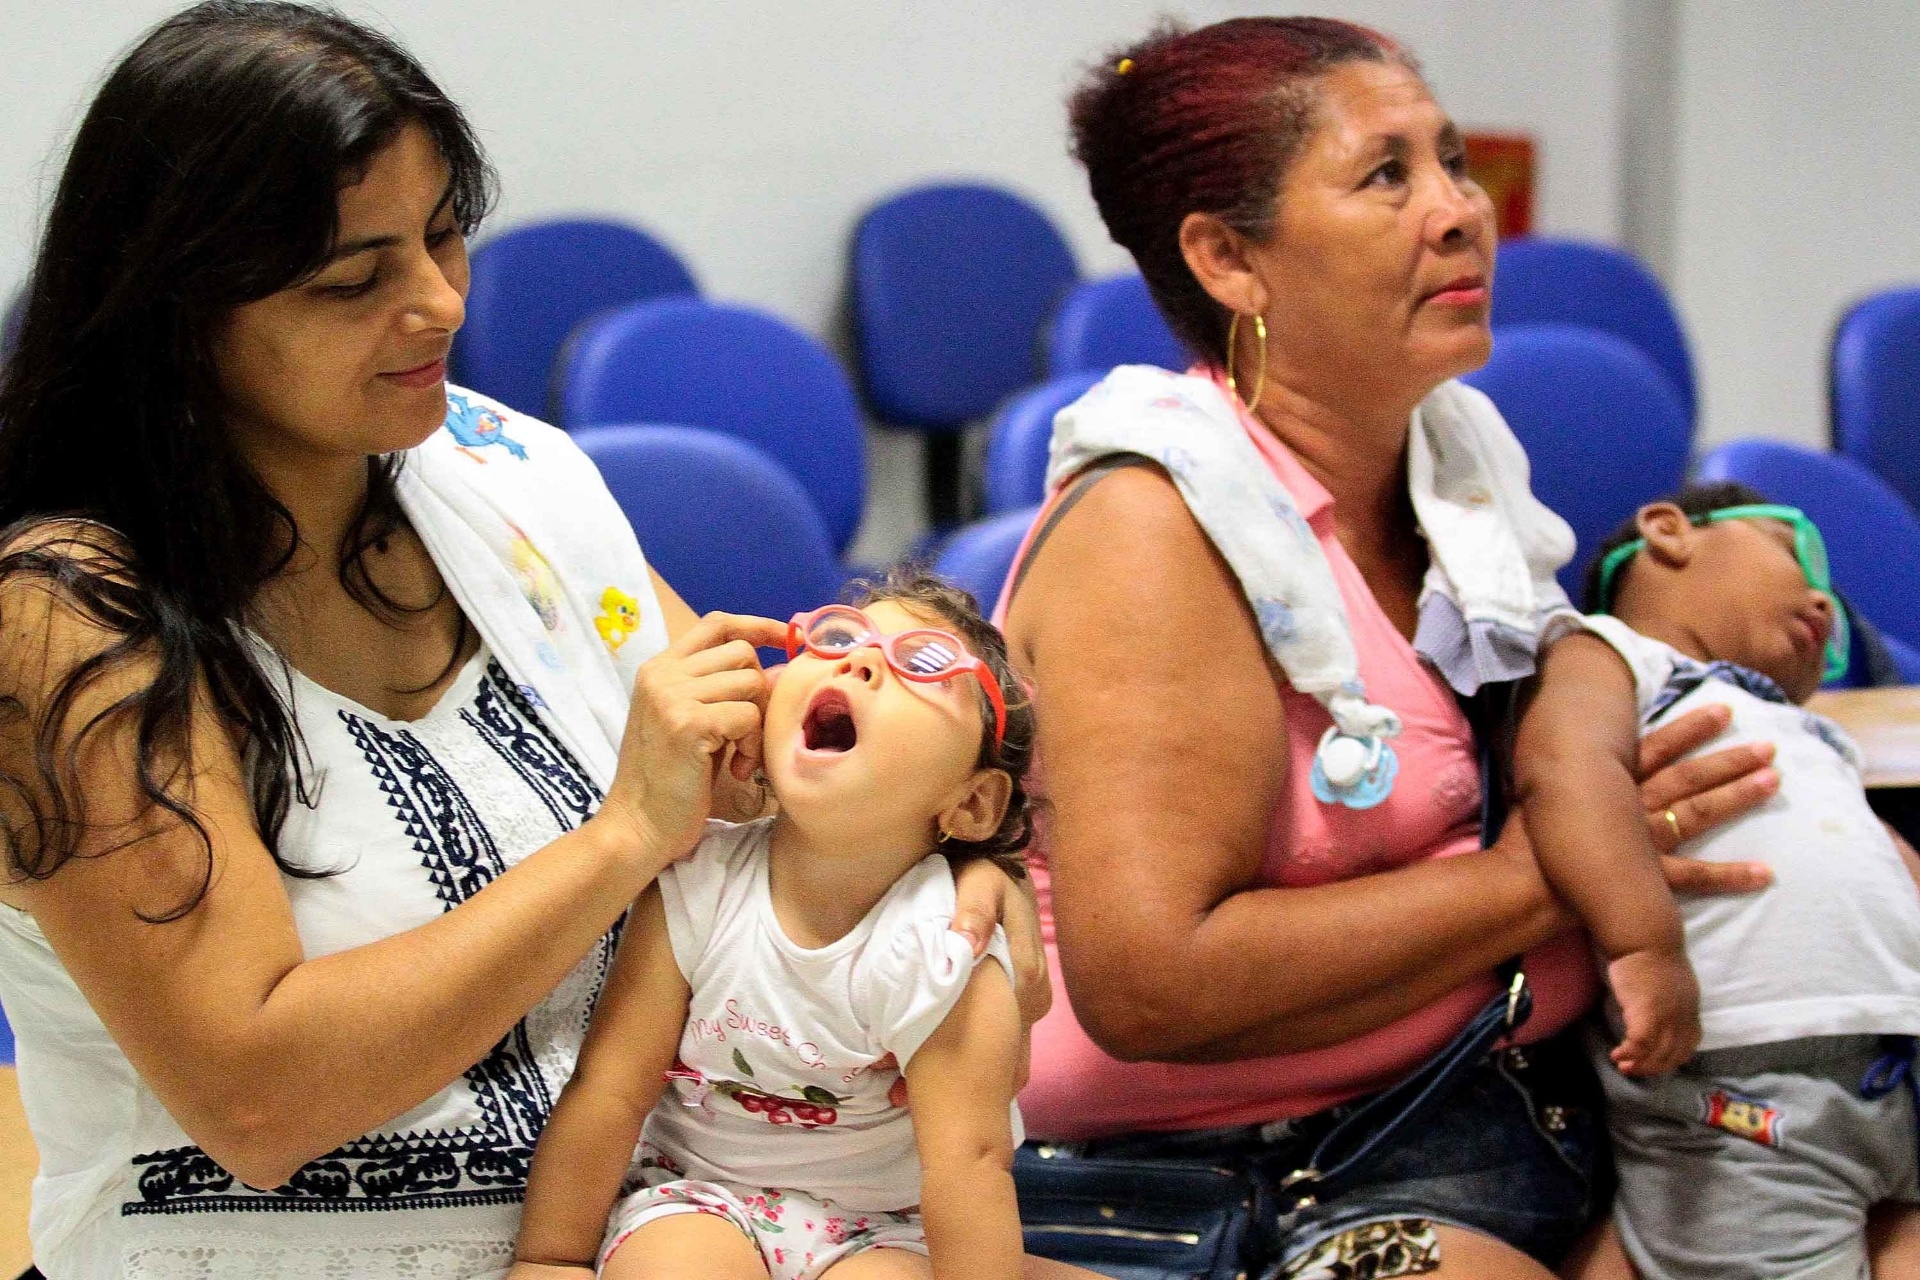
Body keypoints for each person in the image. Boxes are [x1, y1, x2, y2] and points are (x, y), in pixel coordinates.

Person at [0, 6, 1041, 1277]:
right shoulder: (61, 613)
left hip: (675, 1224)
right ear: (173, 306)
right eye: (353, 278)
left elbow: (777, 780)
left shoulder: (504, 470)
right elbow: (259, 1099)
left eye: (445, 236)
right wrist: (620, 839)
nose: (436, 302)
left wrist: (955, 870)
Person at [998, 18, 1783, 1280]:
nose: (1462, 210)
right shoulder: (1155, 526)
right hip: (1241, 1176)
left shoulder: (1452, 468)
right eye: (1387, 175)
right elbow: (1155, 982)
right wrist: (1554, 872)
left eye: (1454, 162)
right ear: (1228, 258)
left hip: (1512, 1108)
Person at [508, 573, 1090, 1280]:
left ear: (971, 802)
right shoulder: (698, 883)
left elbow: (968, 1168)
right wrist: (552, 1260)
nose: (860, 659)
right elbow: (610, 1086)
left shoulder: (945, 944)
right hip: (701, 1197)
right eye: (838, 637)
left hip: (887, 1229)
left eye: (927, 663)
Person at [1570, 482, 1920, 1280]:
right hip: (1744, 1097)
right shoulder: (1606, 656)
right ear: (1669, 533)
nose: (1824, 602)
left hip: (1892, 1068)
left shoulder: (1815, 736)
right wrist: (1646, 945)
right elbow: (1567, 774)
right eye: (1793, 554)